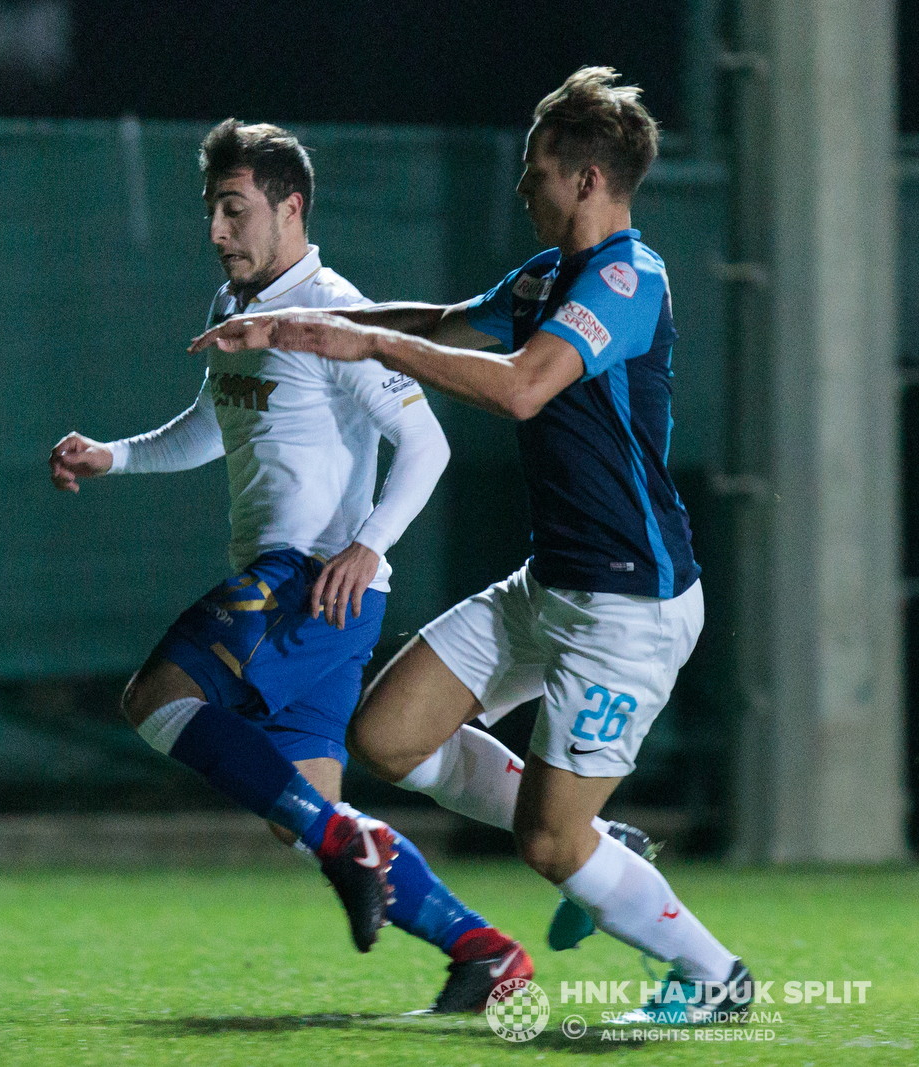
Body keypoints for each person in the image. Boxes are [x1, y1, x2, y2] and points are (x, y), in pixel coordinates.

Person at [191, 70, 753, 1026]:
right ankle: (598, 836)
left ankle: (712, 976)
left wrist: (363, 350)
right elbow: (442, 327)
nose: (521, 189)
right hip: (550, 584)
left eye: (535, 172)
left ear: (586, 180)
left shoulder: (626, 277)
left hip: (631, 605)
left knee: (545, 845)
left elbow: (523, 384)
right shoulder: (544, 277)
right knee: (387, 735)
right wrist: (304, 326)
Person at [49, 119, 534, 1013]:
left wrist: (368, 544)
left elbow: (424, 446)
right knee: (298, 816)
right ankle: (485, 952)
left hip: (309, 580)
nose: (218, 232)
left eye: (235, 211)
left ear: (291, 207)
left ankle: (351, 843)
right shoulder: (233, 310)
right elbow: (209, 425)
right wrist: (110, 455)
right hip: (312, 599)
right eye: (212, 212)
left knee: (156, 696)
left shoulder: (334, 313)